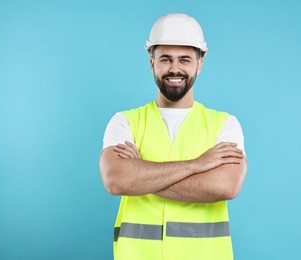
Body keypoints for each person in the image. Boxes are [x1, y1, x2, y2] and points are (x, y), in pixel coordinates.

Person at [99, 13, 247, 260]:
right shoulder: (124, 122)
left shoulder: (225, 125)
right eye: (165, 59)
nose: (175, 68)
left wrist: (141, 176)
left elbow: (226, 186)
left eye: (185, 59)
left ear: (199, 63)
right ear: (151, 63)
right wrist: (196, 165)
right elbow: (117, 180)